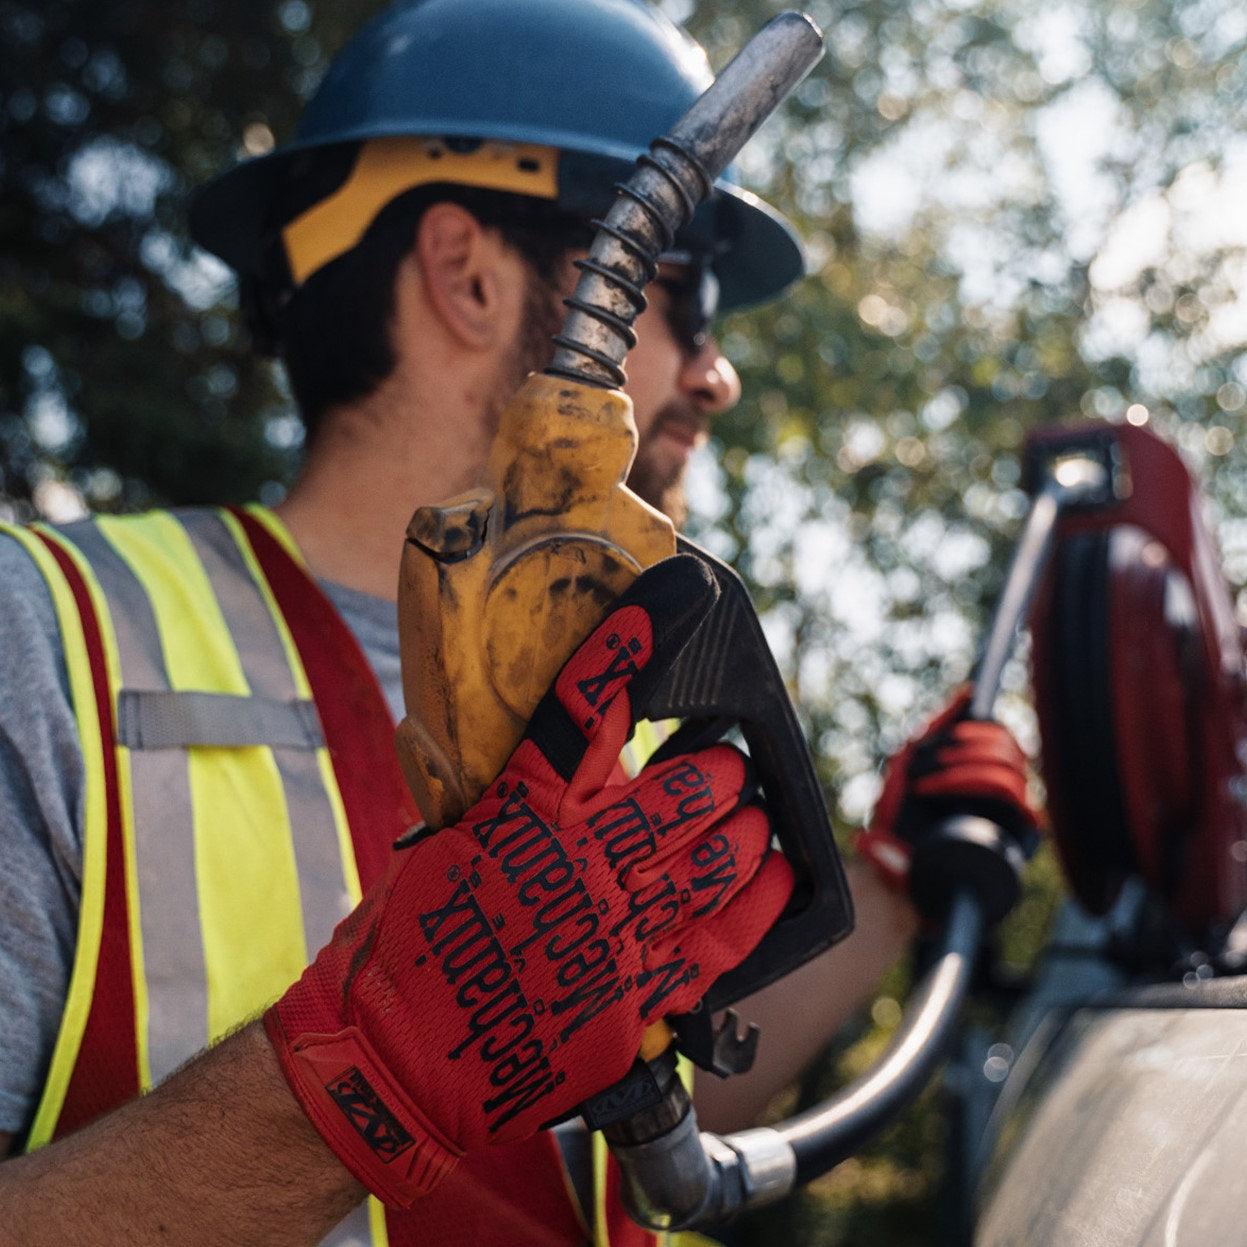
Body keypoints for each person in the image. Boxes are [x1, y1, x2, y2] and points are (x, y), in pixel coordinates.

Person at [0, 1, 1040, 1243]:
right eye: (684, 292)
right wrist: (357, 1087)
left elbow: (628, 1132)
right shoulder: (49, 641)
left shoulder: (617, 706)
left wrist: (887, 887)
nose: (716, 372)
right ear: (470, 274)